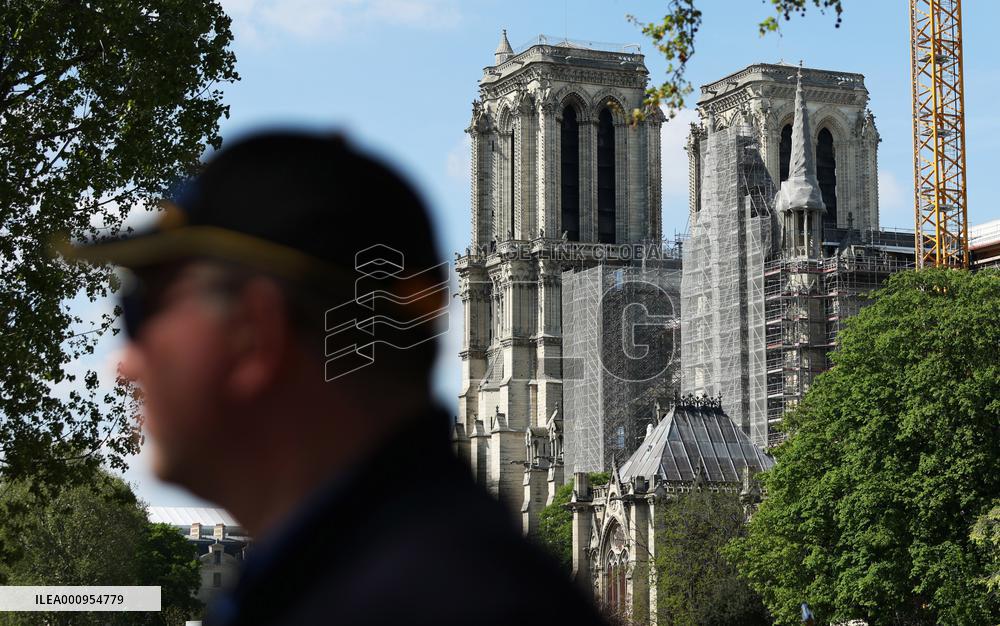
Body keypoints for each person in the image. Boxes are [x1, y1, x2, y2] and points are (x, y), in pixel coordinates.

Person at [62, 132, 609, 626]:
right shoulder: (396, 569)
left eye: (141, 311)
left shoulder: (419, 599)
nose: (121, 364)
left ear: (257, 330)